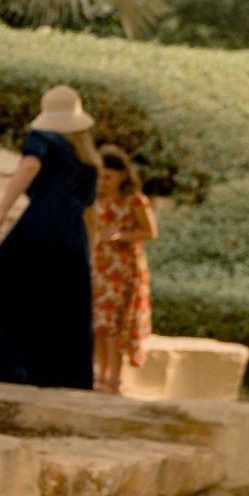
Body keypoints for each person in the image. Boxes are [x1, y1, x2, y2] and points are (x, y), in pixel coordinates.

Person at [0, 83, 98, 390]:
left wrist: (0, 212)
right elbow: (91, 210)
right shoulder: (88, 157)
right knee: (61, 299)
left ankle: (4, 365)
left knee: (4, 287)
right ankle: (57, 373)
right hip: (73, 234)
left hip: (42, 223)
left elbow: (29, 166)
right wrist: (90, 248)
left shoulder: (43, 139)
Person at [88, 139, 157, 395]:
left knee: (116, 324)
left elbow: (150, 231)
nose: (102, 182)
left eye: (108, 177)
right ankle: (103, 375)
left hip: (124, 267)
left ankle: (115, 379)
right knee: (101, 323)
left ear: (122, 175)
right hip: (102, 265)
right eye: (100, 177)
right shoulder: (98, 199)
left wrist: (122, 235)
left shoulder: (134, 200)